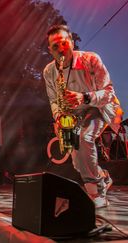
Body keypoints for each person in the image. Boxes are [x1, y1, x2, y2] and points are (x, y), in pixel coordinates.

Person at [43, 24, 124, 208]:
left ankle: (96, 193)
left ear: (71, 42)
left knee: (83, 138)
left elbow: (109, 92)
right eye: (55, 47)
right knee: (78, 160)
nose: (61, 49)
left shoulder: (91, 59)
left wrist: (85, 97)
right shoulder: (49, 71)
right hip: (72, 113)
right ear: (50, 50)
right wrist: (58, 117)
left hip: (99, 106)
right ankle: (102, 177)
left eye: (64, 43)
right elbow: (53, 100)